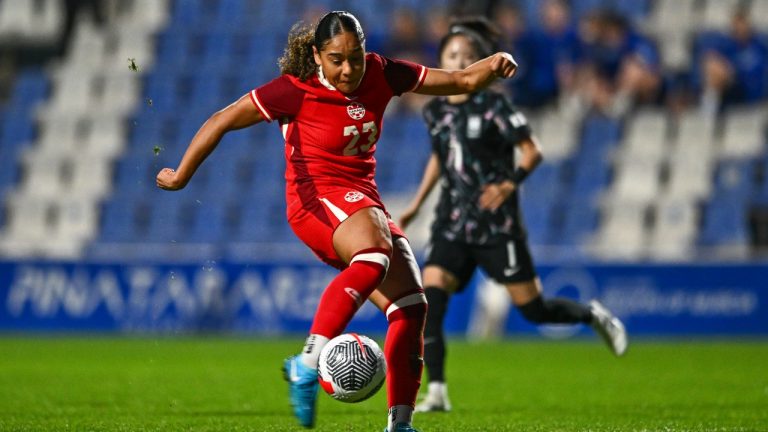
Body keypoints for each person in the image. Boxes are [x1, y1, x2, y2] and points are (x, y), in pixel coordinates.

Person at [155, 11, 517, 432]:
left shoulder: (382, 73)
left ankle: (400, 424)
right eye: (336, 59)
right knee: (376, 251)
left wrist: (493, 64)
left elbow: (461, 82)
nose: (348, 69)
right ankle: (307, 363)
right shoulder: (293, 91)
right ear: (317, 55)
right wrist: (181, 175)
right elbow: (222, 120)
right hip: (314, 201)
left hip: (362, 199)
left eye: (356, 58)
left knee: (411, 306)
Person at [397, 17, 628, 414]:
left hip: (496, 225)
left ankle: (592, 315)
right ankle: (436, 390)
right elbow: (441, 158)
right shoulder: (436, 111)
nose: (457, 61)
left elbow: (532, 149)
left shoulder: (494, 105)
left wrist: (509, 183)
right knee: (428, 303)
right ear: (440, 59)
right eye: (451, 55)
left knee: (533, 309)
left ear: (477, 64)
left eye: (467, 57)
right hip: (452, 222)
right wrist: (418, 204)